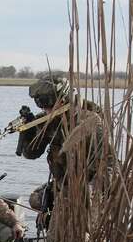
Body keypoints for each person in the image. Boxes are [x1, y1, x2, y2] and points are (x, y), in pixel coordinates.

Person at [15, 77, 102, 230]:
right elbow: (31, 154)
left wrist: (91, 194)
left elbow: (108, 163)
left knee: (74, 220)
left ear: (62, 99)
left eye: (47, 102)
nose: (44, 108)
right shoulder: (47, 120)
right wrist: (28, 132)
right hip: (62, 182)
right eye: (39, 103)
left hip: (87, 186)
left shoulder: (90, 119)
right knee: (36, 199)